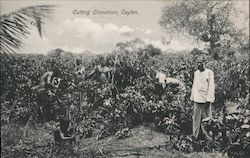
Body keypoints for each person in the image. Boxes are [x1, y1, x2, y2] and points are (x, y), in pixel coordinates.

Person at [190, 54, 215, 140]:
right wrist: (192, 98)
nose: (198, 65)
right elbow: (194, 86)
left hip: (205, 100)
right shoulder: (196, 73)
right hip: (197, 99)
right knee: (196, 119)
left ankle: (208, 138)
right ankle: (195, 136)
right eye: (197, 63)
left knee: (206, 120)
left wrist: (209, 99)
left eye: (200, 63)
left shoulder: (209, 72)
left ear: (204, 63)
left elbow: (211, 86)